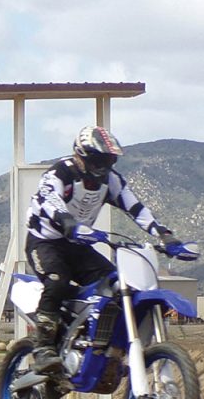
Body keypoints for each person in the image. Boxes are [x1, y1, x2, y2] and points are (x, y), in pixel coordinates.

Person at [25, 126, 182, 375]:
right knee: (57, 281)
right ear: (81, 156)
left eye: (109, 161)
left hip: (79, 246)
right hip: (46, 242)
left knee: (118, 285)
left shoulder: (110, 180)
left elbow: (136, 208)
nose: (103, 167)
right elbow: (50, 199)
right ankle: (43, 347)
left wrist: (164, 235)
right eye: (98, 160)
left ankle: (100, 342)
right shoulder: (61, 172)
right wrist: (68, 223)